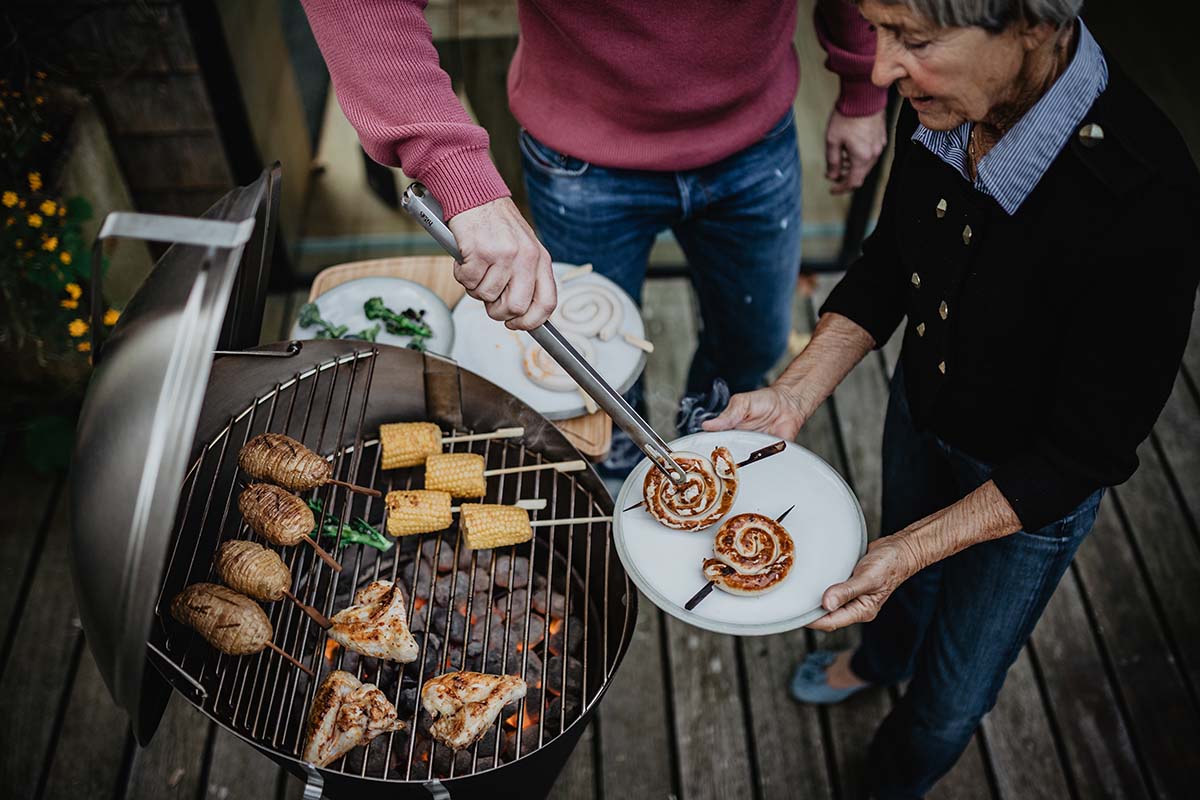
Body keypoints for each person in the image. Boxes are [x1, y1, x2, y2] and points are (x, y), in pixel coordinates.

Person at [703, 0, 1200, 796]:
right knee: (897, 575)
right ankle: (882, 654)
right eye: (882, 31)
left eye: (917, 41)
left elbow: (1087, 451)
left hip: (1030, 491)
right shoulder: (942, 101)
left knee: (951, 695)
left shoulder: (1148, 193)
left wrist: (910, 549)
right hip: (921, 410)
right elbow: (894, 260)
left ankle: (891, 779)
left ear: (1036, 24)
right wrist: (795, 394)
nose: (880, 67)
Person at [300, 0, 889, 478]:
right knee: (589, 368)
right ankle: (624, 464)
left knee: (752, 346)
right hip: (579, 157)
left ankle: (709, 452)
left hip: (757, 138)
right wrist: (460, 176)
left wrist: (863, 84)